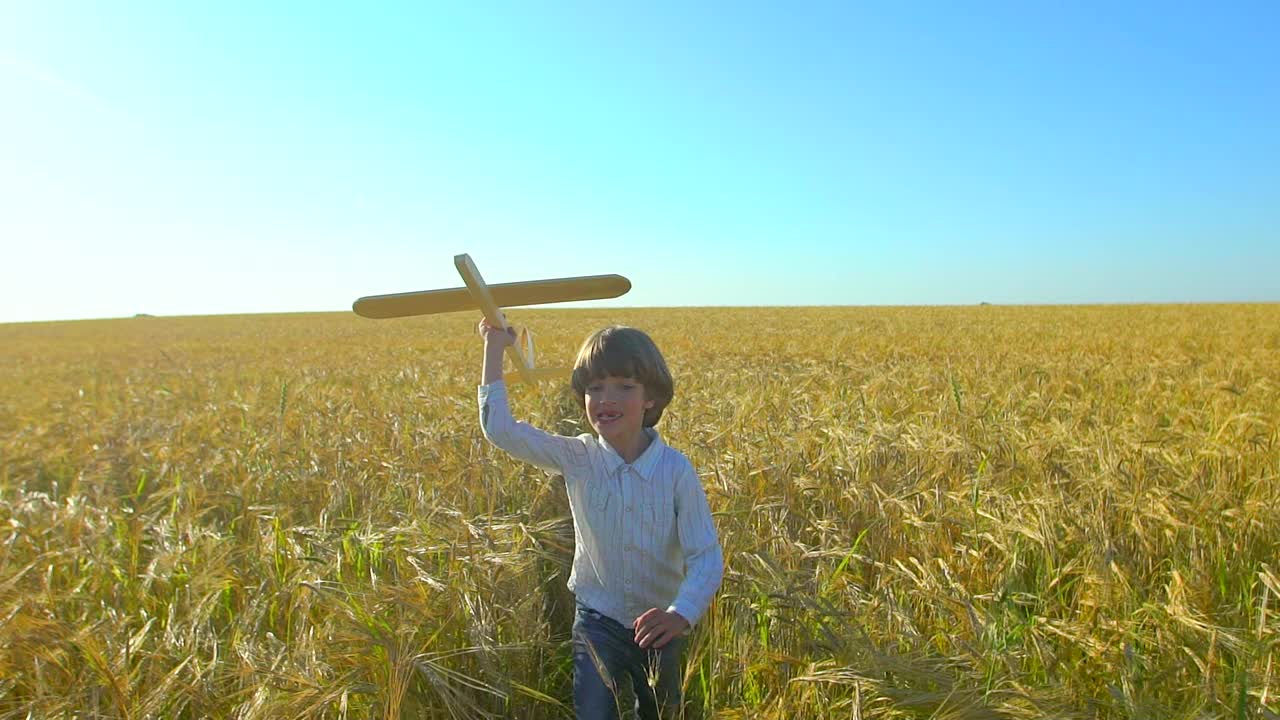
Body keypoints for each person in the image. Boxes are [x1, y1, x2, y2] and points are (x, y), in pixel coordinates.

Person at [477, 320, 724, 719]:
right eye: (595, 388)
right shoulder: (578, 457)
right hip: (596, 620)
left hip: (660, 624)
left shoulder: (677, 471)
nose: (606, 399)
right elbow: (501, 430)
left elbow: (706, 556)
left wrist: (681, 614)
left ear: (650, 398)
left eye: (624, 387)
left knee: (661, 713)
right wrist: (494, 347)